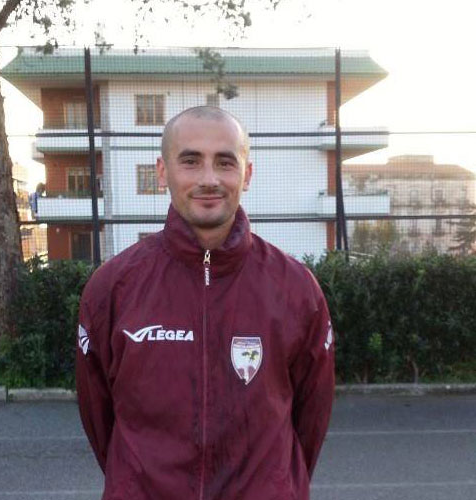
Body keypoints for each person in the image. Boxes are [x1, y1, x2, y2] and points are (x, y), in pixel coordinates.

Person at [76, 106, 335, 500]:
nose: (209, 179)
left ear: (247, 175)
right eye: (191, 161)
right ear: (163, 172)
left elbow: (310, 420)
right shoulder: (112, 287)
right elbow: (99, 419)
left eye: (225, 162)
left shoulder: (297, 289)